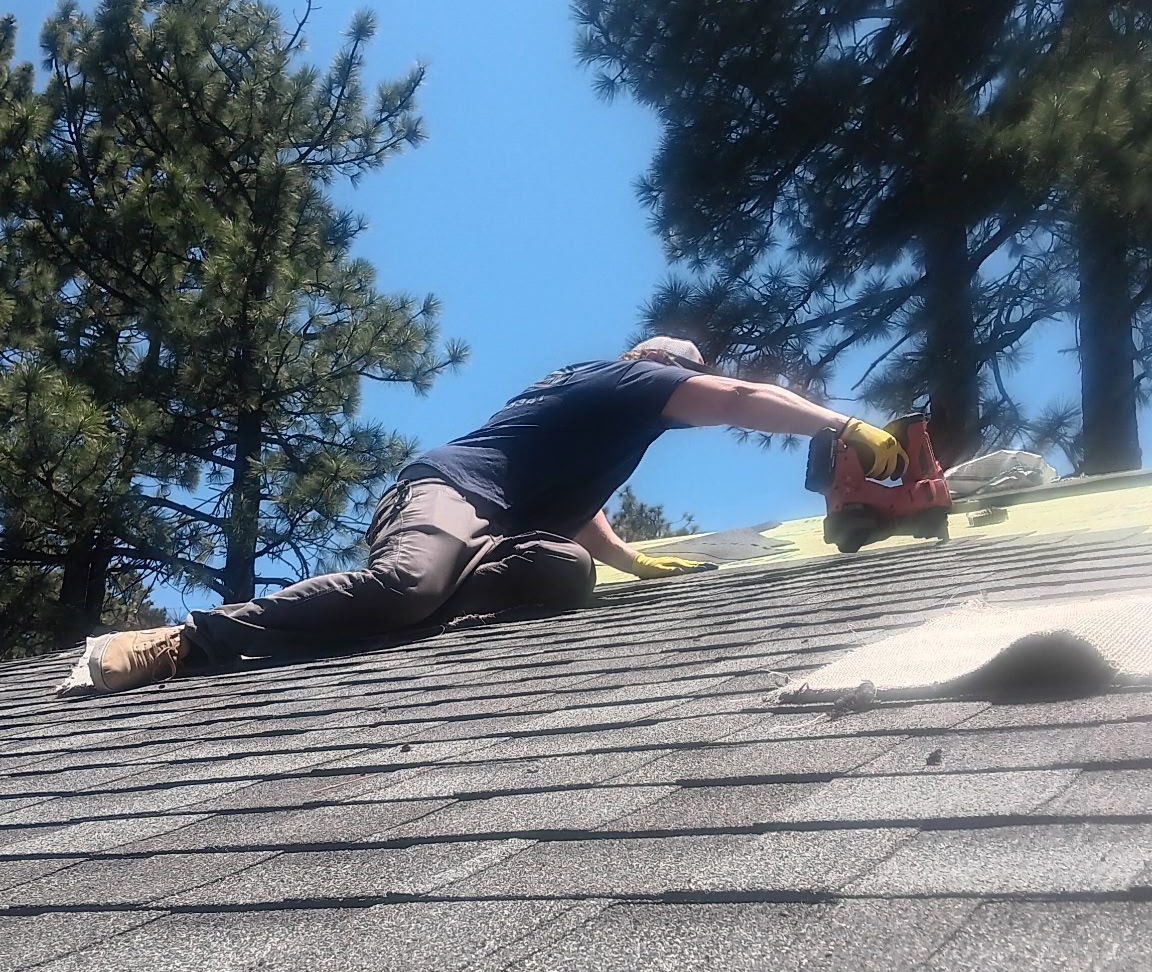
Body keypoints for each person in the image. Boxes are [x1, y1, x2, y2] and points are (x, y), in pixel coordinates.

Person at [60, 336, 905, 695]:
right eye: (682, 374)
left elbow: (578, 514)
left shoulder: (599, 421)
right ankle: (189, 639)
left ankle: (411, 622)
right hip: (446, 494)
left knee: (563, 571)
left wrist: (632, 564)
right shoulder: (627, 381)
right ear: (653, 366)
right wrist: (840, 424)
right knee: (407, 580)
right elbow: (739, 399)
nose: (685, 386)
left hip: (502, 528)